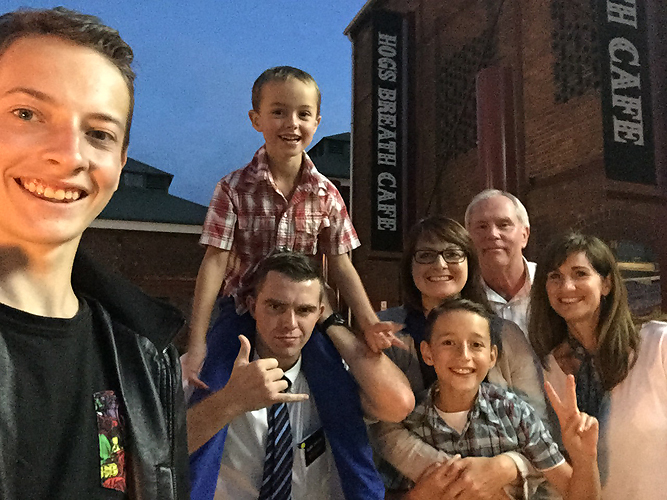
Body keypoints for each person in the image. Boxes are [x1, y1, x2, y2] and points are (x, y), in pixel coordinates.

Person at [0, 7, 188, 499]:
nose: (69, 154)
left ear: (121, 163)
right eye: (27, 114)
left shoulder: (146, 358)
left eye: (99, 133)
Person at [182, 65, 401, 389]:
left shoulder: (326, 194)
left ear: (317, 122)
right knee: (211, 383)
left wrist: (368, 322)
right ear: (256, 119)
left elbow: (341, 265)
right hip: (243, 305)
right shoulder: (233, 188)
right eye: (279, 112)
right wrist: (197, 340)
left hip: (303, 311)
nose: (292, 123)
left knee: (337, 389)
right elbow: (214, 262)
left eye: (303, 114)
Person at [187, 251, 415, 500]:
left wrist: (332, 323)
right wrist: (230, 401)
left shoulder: (334, 374)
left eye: (304, 310)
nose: (290, 323)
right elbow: (164, 446)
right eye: (276, 307)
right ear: (252, 307)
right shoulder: (201, 369)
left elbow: (398, 404)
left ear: (319, 313)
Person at [372, 216, 547, 498]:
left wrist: (506, 467)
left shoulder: (505, 334)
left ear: (470, 262)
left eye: (453, 254)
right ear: (409, 266)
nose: (440, 264)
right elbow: (381, 430)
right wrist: (461, 481)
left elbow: (539, 424)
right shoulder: (386, 332)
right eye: (426, 255)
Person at [402, 298, 601, 500]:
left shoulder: (514, 412)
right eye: (448, 342)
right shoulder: (411, 422)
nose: (464, 355)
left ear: (492, 356)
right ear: (427, 353)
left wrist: (585, 460)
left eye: (476, 344)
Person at [529, 232, 667, 500]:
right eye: (555, 277)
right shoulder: (547, 369)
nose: (566, 286)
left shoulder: (658, 345)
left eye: (580, 274)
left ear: (606, 284)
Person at [465, 189, 535, 336]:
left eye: (503, 225)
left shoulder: (552, 286)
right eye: (482, 226)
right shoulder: (462, 296)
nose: (492, 234)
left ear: (525, 235)